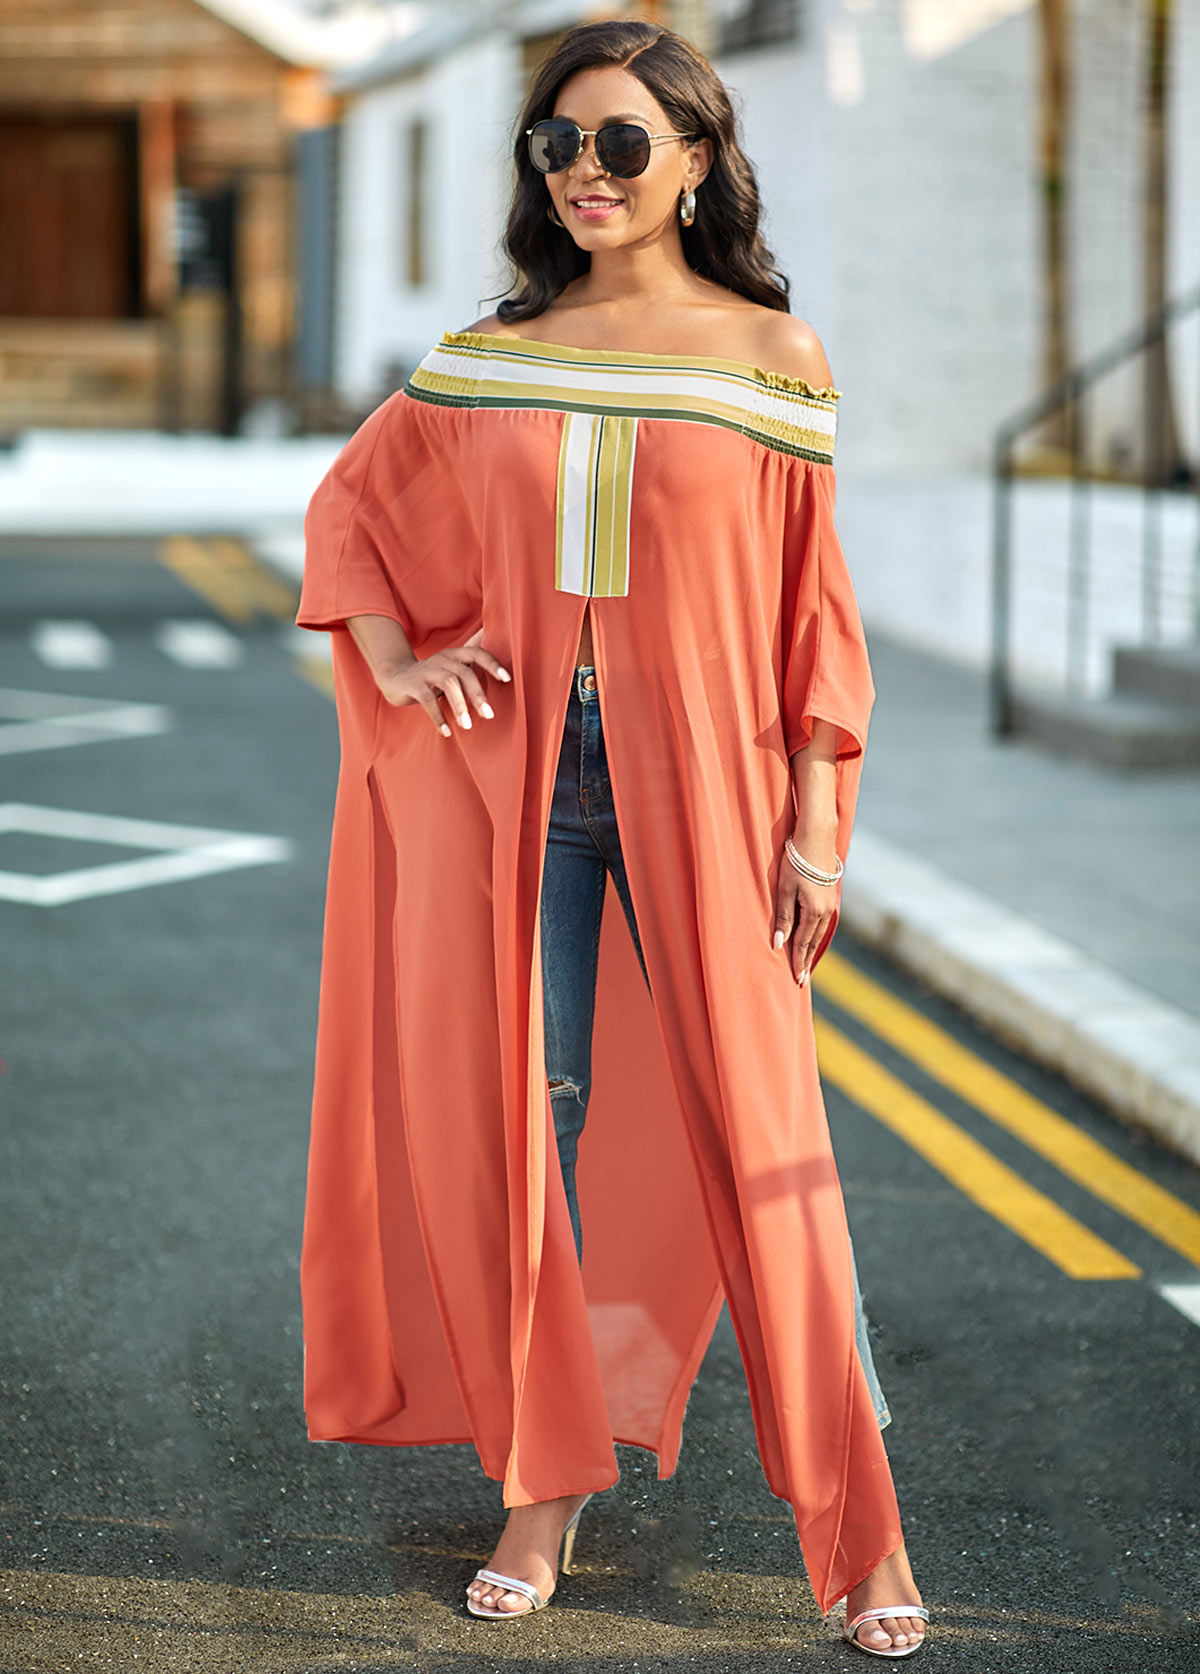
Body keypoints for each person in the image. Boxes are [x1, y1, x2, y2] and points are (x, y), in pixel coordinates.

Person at [294, 16, 928, 1661]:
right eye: (559, 143)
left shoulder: (769, 359)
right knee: (527, 1134)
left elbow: (814, 617)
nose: (587, 171)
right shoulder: (488, 357)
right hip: (516, 793)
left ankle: (859, 1534)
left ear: (700, 159)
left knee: (764, 1144)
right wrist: (393, 660)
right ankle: (542, 1490)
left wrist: (814, 828)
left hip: (709, 793)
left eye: (624, 143)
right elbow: (356, 506)